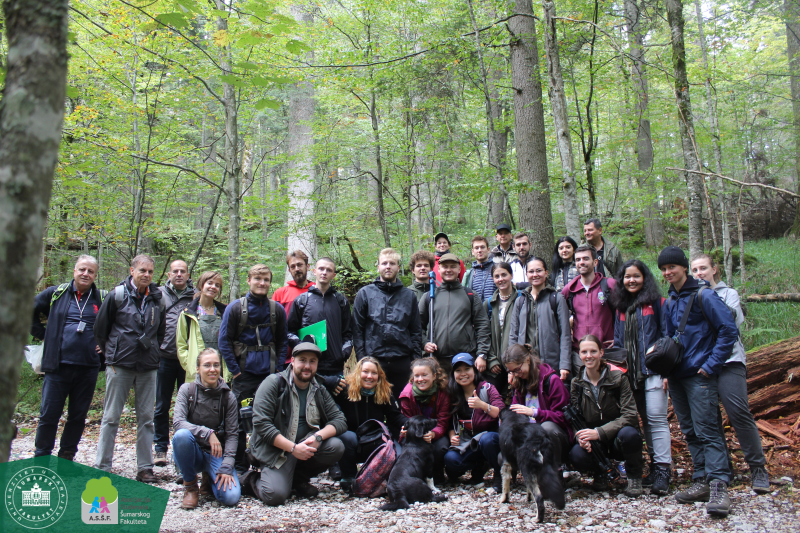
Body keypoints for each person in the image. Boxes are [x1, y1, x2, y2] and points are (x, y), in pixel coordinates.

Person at [658, 245, 738, 517]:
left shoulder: (705, 295)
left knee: (708, 428)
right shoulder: (670, 301)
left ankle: (719, 485)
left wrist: (711, 364)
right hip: (678, 376)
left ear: (683, 267)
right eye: (664, 269)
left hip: (699, 374)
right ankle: (702, 479)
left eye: (672, 267)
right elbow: (668, 338)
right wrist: (665, 369)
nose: (668, 272)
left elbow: (728, 330)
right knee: (689, 429)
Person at [691, 254, 770, 494]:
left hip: (729, 362)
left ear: (714, 270)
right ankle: (722, 469)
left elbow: (730, 322)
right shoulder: (692, 298)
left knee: (738, 413)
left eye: (703, 268)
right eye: (694, 270)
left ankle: (758, 468)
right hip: (703, 366)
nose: (699, 274)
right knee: (709, 419)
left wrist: (707, 297)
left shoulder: (729, 294)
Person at [242, 342, 347, 506]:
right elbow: (262, 424)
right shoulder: (273, 384)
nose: (307, 366)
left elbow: (340, 420)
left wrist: (318, 437)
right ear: (292, 361)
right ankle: (251, 479)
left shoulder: (318, 388)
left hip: (303, 447)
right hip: (276, 451)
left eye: (312, 361)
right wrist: (292, 448)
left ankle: (298, 480)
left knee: (336, 446)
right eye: (302, 360)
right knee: (274, 496)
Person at [94, 254, 166, 482]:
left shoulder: (157, 298)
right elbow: (100, 329)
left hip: (148, 366)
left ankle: (145, 468)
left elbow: (160, 331)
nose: (146, 275)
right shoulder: (117, 295)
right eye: (142, 270)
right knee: (111, 417)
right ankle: (102, 465)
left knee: (146, 418)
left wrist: (154, 351)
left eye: (150, 272)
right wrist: (112, 353)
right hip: (120, 365)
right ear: (132, 270)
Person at [30, 255, 106, 460]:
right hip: (58, 366)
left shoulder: (101, 298)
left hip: (88, 367)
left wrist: (106, 346)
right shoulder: (56, 293)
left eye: (90, 271)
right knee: (49, 415)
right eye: (82, 269)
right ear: (74, 271)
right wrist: (45, 335)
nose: (85, 274)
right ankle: (42, 455)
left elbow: (116, 325)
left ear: (95, 275)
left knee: (78, 416)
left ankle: (67, 456)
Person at [219, 264, 289, 474]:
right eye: (258, 279)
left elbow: (282, 342)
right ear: (249, 280)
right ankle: (240, 466)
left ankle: (267, 462)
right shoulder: (234, 308)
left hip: (269, 375)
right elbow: (224, 341)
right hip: (244, 374)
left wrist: (277, 372)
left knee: (272, 419)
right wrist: (235, 371)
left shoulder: (276, 310)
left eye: (266, 279)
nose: (262, 283)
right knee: (241, 420)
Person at [610, 260, 672, 496]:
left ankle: (663, 470)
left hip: (653, 371)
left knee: (656, 420)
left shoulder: (657, 303)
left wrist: (666, 371)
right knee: (640, 422)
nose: (632, 280)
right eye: (627, 277)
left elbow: (666, 338)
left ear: (645, 278)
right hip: (630, 376)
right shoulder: (621, 307)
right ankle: (652, 468)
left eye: (636, 276)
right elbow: (617, 342)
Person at [568, 335, 644, 497]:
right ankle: (600, 473)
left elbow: (630, 415)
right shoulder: (577, 384)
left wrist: (600, 432)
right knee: (576, 453)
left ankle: (634, 476)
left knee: (630, 435)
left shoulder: (618, 378)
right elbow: (576, 419)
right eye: (584, 352)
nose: (589, 356)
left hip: (618, 436)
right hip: (596, 442)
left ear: (601, 353)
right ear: (579, 355)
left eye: (593, 351)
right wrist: (580, 437)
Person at [172, 348, 240, 509]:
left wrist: (228, 465)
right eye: (207, 365)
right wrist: (207, 433)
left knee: (231, 497)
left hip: (215, 453)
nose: (212, 369)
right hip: (191, 450)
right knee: (181, 436)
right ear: (198, 368)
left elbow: (232, 434)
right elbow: (178, 422)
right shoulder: (186, 390)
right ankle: (190, 487)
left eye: (216, 365)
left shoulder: (228, 396)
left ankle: (209, 478)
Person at [352, 248, 423, 393]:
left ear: (398, 267)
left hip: (402, 360)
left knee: (402, 406)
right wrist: (362, 360)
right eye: (384, 263)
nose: (388, 266)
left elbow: (415, 330)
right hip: (374, 361)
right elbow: (357, 330)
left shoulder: (409, 296)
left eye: (392, 263)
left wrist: (415, 361)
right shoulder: (365, 293)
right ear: (378, 267)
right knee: (375, 405)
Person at [334, 357, 408, 493]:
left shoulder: (384, 390)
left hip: (376, 440)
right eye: (365, 372)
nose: (369, 376)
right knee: (346, 437)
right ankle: (349, 477)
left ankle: (383, 480)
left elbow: (395, 416)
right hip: (352, 441)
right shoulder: (345, 389)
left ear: (379, 376)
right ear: (358, 373)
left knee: (398, 453)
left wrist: (409, 425)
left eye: (374, 373)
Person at [503, 344, 571, 470]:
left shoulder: (552, 381)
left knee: (547, 428)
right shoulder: (519, 383)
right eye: (511, 371)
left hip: (556, 437)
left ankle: (555, 472)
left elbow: (563, 417)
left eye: (517, 369)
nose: (516, 374)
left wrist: (534, 413)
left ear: (527, 360)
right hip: (531, 434)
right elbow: (514, 410)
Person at [154, 259, 195, 467]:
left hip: (187, 360)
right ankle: (160, 448)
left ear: (188, 275)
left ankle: (182, 450)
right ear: (169, 274)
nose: (179, 274)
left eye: (183, 271)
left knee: (188, 406)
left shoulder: (195, 296)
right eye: (175, 271)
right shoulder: (158, 294)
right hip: (164, 358)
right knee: (161, 405)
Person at [288, 257, 352, 389]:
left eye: (328, 270)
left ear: (333, 275)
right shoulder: (302, 301)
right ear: (314, 271)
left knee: (335, 407)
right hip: (308, 365)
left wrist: (344, 352)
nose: (324, 272)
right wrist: (301, 346)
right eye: (321, 269)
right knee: (310, 405)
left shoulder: (341, 301)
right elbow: (289, 331)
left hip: (335, 366)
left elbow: (348, 332)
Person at [444, 353, 505, 491]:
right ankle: (479, 466)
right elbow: (448, 420)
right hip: (470, 440)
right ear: (453, 374)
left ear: (474, 370)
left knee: (487, 440)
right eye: (458, 370)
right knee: (451, 459)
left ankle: (498, 474)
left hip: (492, 437)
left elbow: (501, 412)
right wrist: (452, 436)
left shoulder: (487, 388)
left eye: (467, 369)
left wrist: (482, 405)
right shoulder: (453, 393)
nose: (463, 374)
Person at [420, 253, 490, 372]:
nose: (448, 270)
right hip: (437, 361)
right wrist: (424, 343)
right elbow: (417, 326)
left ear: (459, 269)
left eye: (452, 266)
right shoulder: (429, 297)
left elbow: (482, 325)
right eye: (445, 266)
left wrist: (482, 354)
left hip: (465, 360)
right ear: (439, 269)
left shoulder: (470, 295)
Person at [508, 257, 572, 382]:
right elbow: (513, 335)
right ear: (526, 274)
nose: (535, 275)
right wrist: (512, 367)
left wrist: (564, 365)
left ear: (546, 272)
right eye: (531, 271)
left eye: (539, 271)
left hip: (551, 363)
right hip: (525, 366)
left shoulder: (556, 299)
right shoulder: (520, 300)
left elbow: (565, 334)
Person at [561, 244, 617, 375]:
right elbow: (559, 318)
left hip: (606, 351)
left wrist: (619, 338)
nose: (581, 262)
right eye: (578, 260)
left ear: (595, 262)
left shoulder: (609, 285)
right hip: (580, 354)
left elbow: (623, 315)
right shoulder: (570, 289)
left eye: (585, 259)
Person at [398, 358, 452, 484]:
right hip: (414, 434)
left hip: (434, 432)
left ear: (434, 376)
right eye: (417, 376)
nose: (420, 379)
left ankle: (436, 472)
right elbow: (406, 419)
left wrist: (433, 433)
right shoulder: (407, 395)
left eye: (424, 375)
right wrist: (407, 432)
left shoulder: (443, 393)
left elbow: (443, 421)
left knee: (440, 447)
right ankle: (414, 475)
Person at [176, 271, 229, 383]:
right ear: (201, 285)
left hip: (220, 371)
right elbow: (181, 345)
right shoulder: (188, 314)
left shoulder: (225, 312)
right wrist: (191, 366)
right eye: (210, 283)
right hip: (197, 372)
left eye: (217, 285)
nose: (213, 287)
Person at [479, 262, 519, 399]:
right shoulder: (489, 303)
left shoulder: (522, 299)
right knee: (494, 401)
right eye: (497, 276)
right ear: (493, 279)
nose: (500, 279)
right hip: (495, 365)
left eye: (504, 274)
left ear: (511, 275)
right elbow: (483, 333)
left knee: (515, 401)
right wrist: (490, 359)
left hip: (516, 364)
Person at [272, 250, 315, 316]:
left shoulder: (317, 289)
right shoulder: (280, 294)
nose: (296, 269)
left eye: (299, 265)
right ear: (289, 270)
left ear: (307, 267)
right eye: (293, 267)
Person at [462, 236, 497, 303]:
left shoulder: (497, 269)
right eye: (476, 248)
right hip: (476, 311)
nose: (479, 250)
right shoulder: (469, 273)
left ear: (488, 249)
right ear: (473, 252)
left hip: (495, 310)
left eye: (482, 247)